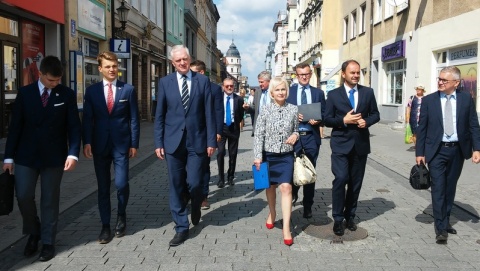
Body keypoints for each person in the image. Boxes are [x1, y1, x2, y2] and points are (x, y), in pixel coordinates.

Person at [2, 56, 81, 261]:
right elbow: (15, 127)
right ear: (40, 74)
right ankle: (34, 230)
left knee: (49, 200)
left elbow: (73, 127)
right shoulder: (25, 93)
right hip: (25, 156)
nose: (54, 84)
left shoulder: (67, 94)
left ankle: (47, 241)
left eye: (58, 80)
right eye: (50, 80)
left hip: (54, 157)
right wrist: (8, 157)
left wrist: (73, 153)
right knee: (23, 195)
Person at [154, 45, 216, 247]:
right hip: (172, 142)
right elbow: (160, 115)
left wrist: (210, 141)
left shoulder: (202, 81)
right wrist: (158, 142)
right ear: (173, 63)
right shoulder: (165, 83)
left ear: (190, 59)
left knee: (195, 182)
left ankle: (196, 203)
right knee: (176, 185)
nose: (182, 62)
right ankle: (181, 227)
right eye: (178, 60)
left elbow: (209, 112)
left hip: (197, 140)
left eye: (185, 59)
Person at [415, 66, 480, 244]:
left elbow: (473, 125)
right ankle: (441, 227)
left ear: (456, 83)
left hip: (458, 151)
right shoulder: (429, 100)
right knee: (438, 188)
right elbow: (422, 128)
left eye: (445, 80)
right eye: (439, 78)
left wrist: (477, 149)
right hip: (436, 151)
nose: (440, 82)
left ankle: (446, 218)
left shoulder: (467, 99)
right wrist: (419, 152)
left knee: (450, 188)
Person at [82, 51, 140, 244]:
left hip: (121, 145)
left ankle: (121, 215)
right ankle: (105, 225)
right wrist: (87, 142)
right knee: (103, 187)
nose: (112, 69)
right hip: (99, 145)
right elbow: (88, 119)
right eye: (107, 66)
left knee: (121, 184)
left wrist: (134, 143)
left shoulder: (128, 90)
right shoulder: (92, 92)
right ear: (100, 69)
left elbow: (133, 119)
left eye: (114, 65)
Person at [324, 60, 380, 236]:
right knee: (340, 179)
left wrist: (367, 121)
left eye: (358, 73)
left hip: (360, 145)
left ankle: (350, 216)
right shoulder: (333, 95)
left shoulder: (367, 92)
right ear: (343, 74)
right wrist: (343, 121)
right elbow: (326, 119)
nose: (355, 75)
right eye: (352, 72)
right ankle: (338, 219)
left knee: (355, 184)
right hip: (340, 144)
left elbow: (375, 114)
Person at [253, 77, 299, 246]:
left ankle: (286, 227)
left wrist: (296, 135)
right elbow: (259, 134)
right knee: (270, 187)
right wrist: (258, 155)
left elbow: (296, 129)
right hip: (268, 155)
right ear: (271, 93)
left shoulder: (293, 109)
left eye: (283, 89)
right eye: (278, 90)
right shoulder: (265, 110)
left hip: (286, 155)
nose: (281, 92)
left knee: (286, 187)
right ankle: (272, 213)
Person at [286, 63, 326, 219]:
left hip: (311, 137)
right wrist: (294, 116)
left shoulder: (318, 93)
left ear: (310, 74)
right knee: (291, 169)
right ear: (296, 75)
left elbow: (325, 112)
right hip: (293, 138)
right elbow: (283, 112)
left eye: (307, 74)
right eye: (300, 74)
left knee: (310, 171)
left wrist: (319, 120)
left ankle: (308, 205)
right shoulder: (290, 92)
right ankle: (294, 192)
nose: (304, 77)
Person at [190, 60, 223, 210]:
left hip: (205, 133)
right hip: (188, 134)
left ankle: (203, 196)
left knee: (203, 166)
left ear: (201, 72)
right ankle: (188, 193)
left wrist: (216, 132)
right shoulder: (187, 86)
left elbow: (217, 111)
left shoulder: (214, 89)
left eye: (193, 72)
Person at [217, 78, 245, 188]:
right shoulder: (218, 98)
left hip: (233, 128)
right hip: (221, 128)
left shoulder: (239, 99)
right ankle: (221, 178)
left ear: (234, 87)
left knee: (233, 154)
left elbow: (241, 114)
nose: (229, 88)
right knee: (220, 153)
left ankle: (230, 177)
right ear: (223, 87)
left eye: (231, 86)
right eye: (227, 86)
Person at [243, 71, 272, 137]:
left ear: (269, 81)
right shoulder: (257, 92)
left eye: (262, 82)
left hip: (272, 126)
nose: (260, 84)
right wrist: (248, 107)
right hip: (259, 126)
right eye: (259, 82)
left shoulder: (275, 92)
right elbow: (255, 108)